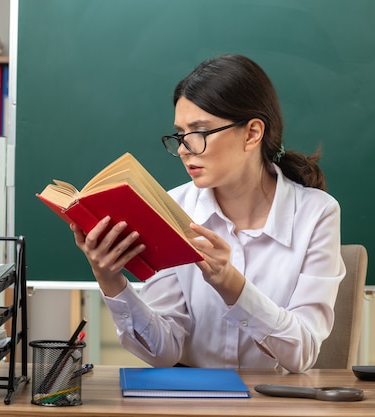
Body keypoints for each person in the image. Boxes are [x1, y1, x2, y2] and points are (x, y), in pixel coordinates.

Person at [70, 54, 345, 373]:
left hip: (273, 400)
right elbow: (164, 352)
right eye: (180, 135)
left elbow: (302, 353)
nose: (185, 149)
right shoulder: (170, 209)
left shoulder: (316, 213)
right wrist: (110, 279)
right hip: (189, 399)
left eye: (199, 132)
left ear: (252, 133)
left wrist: (230, 283)